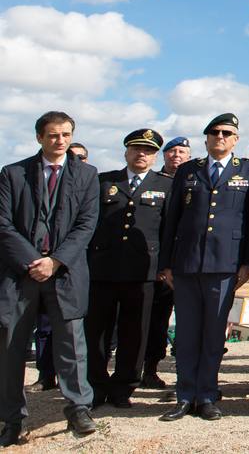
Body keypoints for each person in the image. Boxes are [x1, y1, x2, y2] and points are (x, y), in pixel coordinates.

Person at [0, 111, 99, 443]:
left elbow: (86, 225)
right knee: (11, 347)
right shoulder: (12, 174)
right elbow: (3, 225)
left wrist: (55, 261)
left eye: (66, 135)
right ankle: (12, 419)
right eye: (54, 135)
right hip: (20, 274)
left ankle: (78, 409)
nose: (60, 141)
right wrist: (33, 261)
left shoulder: (87, 175)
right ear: (40, 137)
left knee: (72, 345)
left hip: (65, 274)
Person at [158, 113, 249, 422]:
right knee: (188, 333)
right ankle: (184, 395)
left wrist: (248, 262)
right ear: (206, 138)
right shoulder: (189, 171)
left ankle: (207, 395)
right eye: (214, 132)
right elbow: (172, 220)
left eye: (226, 133)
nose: (220, 137)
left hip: (225, 265)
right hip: (187, 264)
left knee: (214, 334)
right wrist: (165, 263)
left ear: (235, 139)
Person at [86, 129, 174, 409]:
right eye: (136, 149)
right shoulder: (104, 182)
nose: (141, 154)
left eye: (148, 150)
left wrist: (165, 265)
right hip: (103, 269)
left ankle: (124, 386)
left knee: (134, 332)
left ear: (155, 155)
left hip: (143, 271)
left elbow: (168, 230)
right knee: (97, 331)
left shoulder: (166, 185)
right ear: (126, 151)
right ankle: (96, 385)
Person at [143, 136, 193, 391]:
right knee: (152, 319)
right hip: (156, 263)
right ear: (164, 156)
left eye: (182, 151)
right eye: (172, 151)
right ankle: (147, 369)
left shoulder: (193, 180)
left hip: (185, 262)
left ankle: (178, 370)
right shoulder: (153, 182)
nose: (176, 155)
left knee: (182, 321)